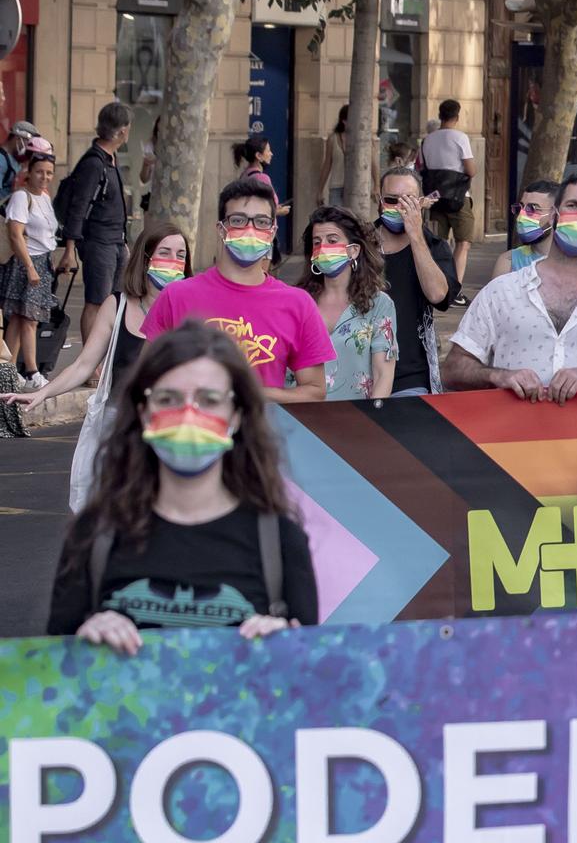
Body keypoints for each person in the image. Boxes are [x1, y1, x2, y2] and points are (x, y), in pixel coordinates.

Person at [45, 322, 322, 650]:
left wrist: (283, 646)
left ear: (235, 415)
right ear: (144, 412)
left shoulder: (278, 540)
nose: (189, 415)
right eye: (169, 398)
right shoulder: (95, 534)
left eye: (209, 399)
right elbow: (51, 678)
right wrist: (86, 636)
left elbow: (308, 682)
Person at [3, 221, 189, 509]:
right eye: (165, 252)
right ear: (146, 257)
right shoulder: (118, 305)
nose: (174, 261)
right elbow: (83, 365)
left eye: (181, 255)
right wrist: (43, 392)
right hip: (121, 431)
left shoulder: (192, 312)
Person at [442, 173, 577, 401]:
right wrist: (498, 377)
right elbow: (452, 369)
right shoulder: (501, 292)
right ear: (554, 216)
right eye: (573, 205)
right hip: (516, 433)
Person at [141, 178, 333, 403]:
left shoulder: (298, 303)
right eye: (239, 220)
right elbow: (146, 377)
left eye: (261, 222)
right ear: (221, 229)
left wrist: (250, 394)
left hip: (263, 435)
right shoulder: (176, 296)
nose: (250, 230)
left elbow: (314, 391)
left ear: (272, 232)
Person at [375, 164, 462, 395]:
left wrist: (415, 235)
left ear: (421, 203)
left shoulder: (435, 246)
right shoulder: (360, 244)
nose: (400, 208)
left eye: (409, 201)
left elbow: (438, 296)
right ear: (379, 199)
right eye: (392, 200)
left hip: (410, 376)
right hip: (360, 371)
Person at [299, 206, 398, 402]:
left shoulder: (378, 304)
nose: (323, 247)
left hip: (356, 421)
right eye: (317, 242)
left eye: (332, 240)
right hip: (300, 419)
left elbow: (383, 375)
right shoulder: (298, 301)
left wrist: (372, 422)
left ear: (353, 250)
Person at [59, 101, 132, 348]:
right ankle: (89, 364)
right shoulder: (94, 163)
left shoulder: (111, 159)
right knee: (95, 301)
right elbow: (78, 207)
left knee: (112, 302)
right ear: (122, 131)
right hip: (98, 242)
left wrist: (123, 242)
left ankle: (104, 359)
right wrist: (70, 249)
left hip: (115, 241)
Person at [1, 148, 58, 386]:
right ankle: (33, 372)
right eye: (40, 172)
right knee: (29, 319)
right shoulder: (21, 197)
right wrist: (30, 268)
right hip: (26, 262)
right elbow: (15, 235)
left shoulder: (44, 197)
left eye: (49, 173)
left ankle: (9, 371)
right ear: (29, 172)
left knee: (17, 319)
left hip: (42, 261)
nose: (44, 177)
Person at [418, 99, 478, 285]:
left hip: (435, 198)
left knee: (439, 242)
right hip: (458, 198)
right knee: (463, 242)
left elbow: (423, 167)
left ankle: (438, 283)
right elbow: (471, 170)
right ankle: (455, 287)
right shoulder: (460, 137)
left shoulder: (427, 140)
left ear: (440, 115)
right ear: (457, 116)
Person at [491, 178, 558, 279]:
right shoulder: (508, 261)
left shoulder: (575, 263)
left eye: (533, 209)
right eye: (521, 207)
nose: (521, 217)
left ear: (554, 215)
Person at [317, 104, 349, 207]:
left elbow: (372, 163)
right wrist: (320, 191)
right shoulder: (333, 139)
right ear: (344, 121)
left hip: (355, 188)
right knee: (336, 218)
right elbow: (327, 165)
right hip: (336, 187)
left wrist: (376, 185)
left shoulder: (362, 140)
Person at [0, 117, 36, 195]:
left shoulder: (15, 157)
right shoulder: (1, 160)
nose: (28, 146)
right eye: (28, 142)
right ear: (18, 138)